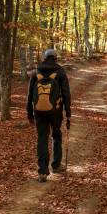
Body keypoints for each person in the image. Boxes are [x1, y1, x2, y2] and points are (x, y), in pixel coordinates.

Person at [27, 49, 71, 182]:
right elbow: (66, 94)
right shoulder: (60, 72)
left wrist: (29, 113)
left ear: (44, 58)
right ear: (55, 58)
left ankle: (42, 172)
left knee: (42, 139)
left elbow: (29, 96)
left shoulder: (36, 72)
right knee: (56, 135)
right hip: (56, 111)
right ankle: (56, 165)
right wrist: (68, 113)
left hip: (39, 112)